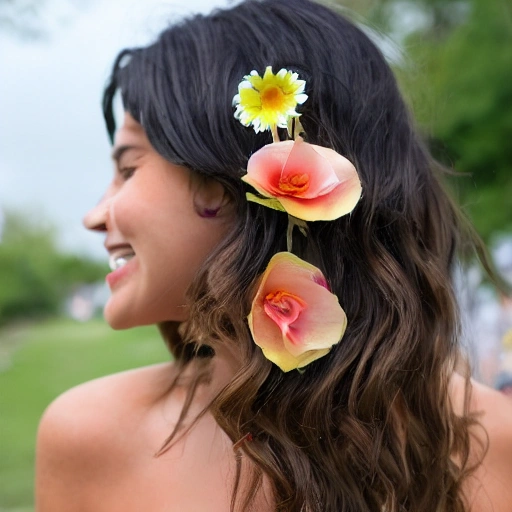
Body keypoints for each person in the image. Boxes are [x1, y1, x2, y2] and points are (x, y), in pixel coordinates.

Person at [35, 0, 512, 510]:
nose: (95, 215)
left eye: (129, 168)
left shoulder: (491, 439)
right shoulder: (88, 437)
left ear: (226, 178)